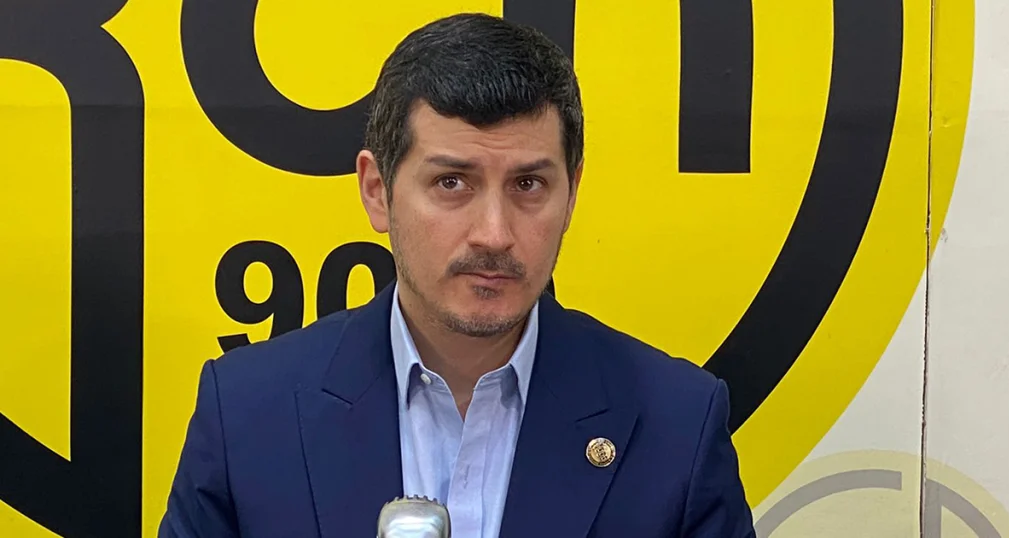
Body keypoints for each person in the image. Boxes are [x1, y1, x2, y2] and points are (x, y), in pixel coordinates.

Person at [159, 12, 755, 538]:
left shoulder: (676, 424)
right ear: (377, 191)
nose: (494, 234)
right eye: (452, 183)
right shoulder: (247, 415)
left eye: (528, 184)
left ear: (571, 194)